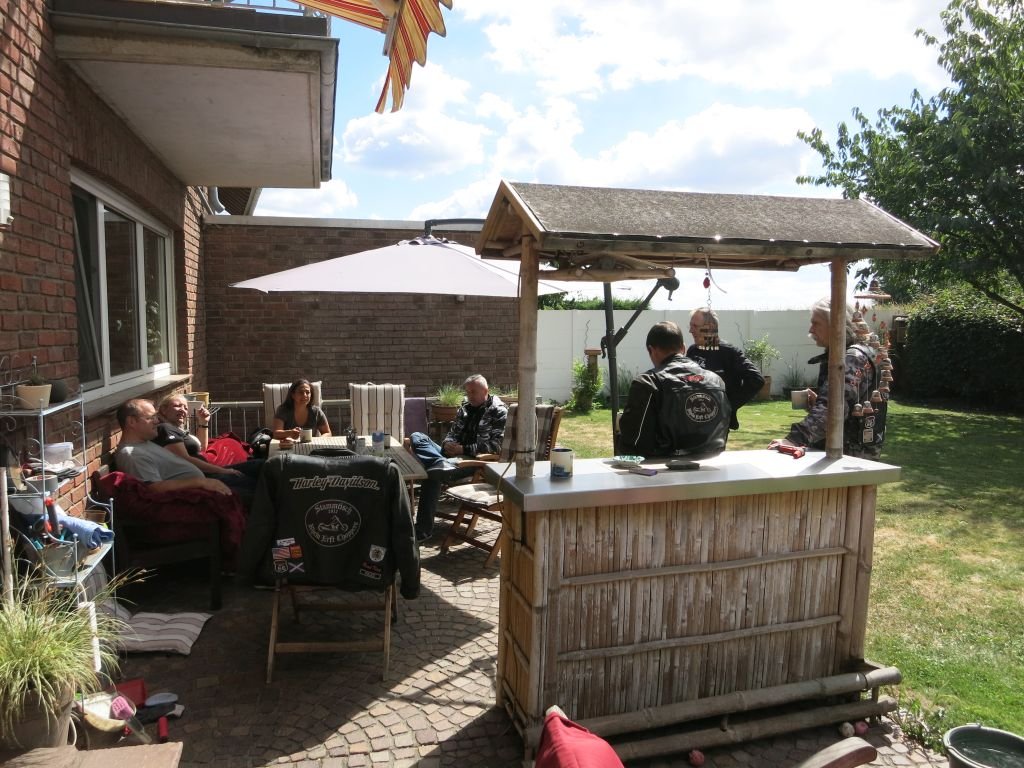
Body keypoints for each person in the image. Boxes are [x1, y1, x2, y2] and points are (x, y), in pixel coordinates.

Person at [775, 298, 885, 459]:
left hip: (848, 457)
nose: (811, 330)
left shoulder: (852, 358)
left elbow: (833, 408)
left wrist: (794, 440)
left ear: (836, 324)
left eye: (816, 323)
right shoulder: (853, 354)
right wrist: (820, 401)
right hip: (850, 453)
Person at [408, 374, 508, 542]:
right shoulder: (465, 408)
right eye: (468, 392)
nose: (470, 396)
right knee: (417, 436)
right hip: (450, 457)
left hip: (472, 461)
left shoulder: (499, 412)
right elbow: (452, 433)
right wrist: (448, 443)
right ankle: (440, 462)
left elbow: (496, 446)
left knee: (433, 473)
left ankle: (423, 530)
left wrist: (463, 449)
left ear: (486, 391)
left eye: (473, 392)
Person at [616, 321, 732, 458]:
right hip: (712, 461)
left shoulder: (648, 382)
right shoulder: (717, 381)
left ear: (651, 350)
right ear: (683, 348)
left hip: (662, 466)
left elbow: (632, 440)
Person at [114, 399, 233, 496]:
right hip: (199, 494)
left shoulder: (144, 442)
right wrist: (200, 482)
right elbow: (153, 488)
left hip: (206, 484)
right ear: (132, 422)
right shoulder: (132, 455)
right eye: (151, 418)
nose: (157, 421)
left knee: (244, 472)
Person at [153, 394, 262, 496]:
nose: (183, 410)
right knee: (256, 484)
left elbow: (202, 448)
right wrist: (222, 470)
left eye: (185, 408)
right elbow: (184, 459)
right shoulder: (165, 428)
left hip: (209, 470)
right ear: (163, 410)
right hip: (204, 475)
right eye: (177, 406)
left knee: (260, 465)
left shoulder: (177, 429)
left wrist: (203, 422)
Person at [686, 307, 765, 430]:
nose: (691, 330)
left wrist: (729, 405)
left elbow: (756, 379)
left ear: (710, 327)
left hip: (717, 425)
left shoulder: (728, 352)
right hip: (691, 419)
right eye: (690, 326)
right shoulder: (693, 351)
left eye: (695, 326)